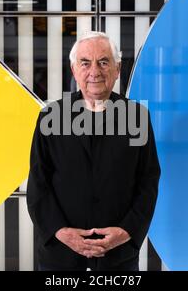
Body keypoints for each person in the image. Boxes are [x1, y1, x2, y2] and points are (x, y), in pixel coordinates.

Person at [27, 31, 161, 271]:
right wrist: (62, 232)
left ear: (117, 69)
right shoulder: (50, 117)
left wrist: (126, 231)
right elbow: (39, 184)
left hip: (118, 257)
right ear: (74, 70)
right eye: (85, 63)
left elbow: (148, 182)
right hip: (61, 257)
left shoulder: (138, 117)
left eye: (103, 62)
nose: (95, 72)